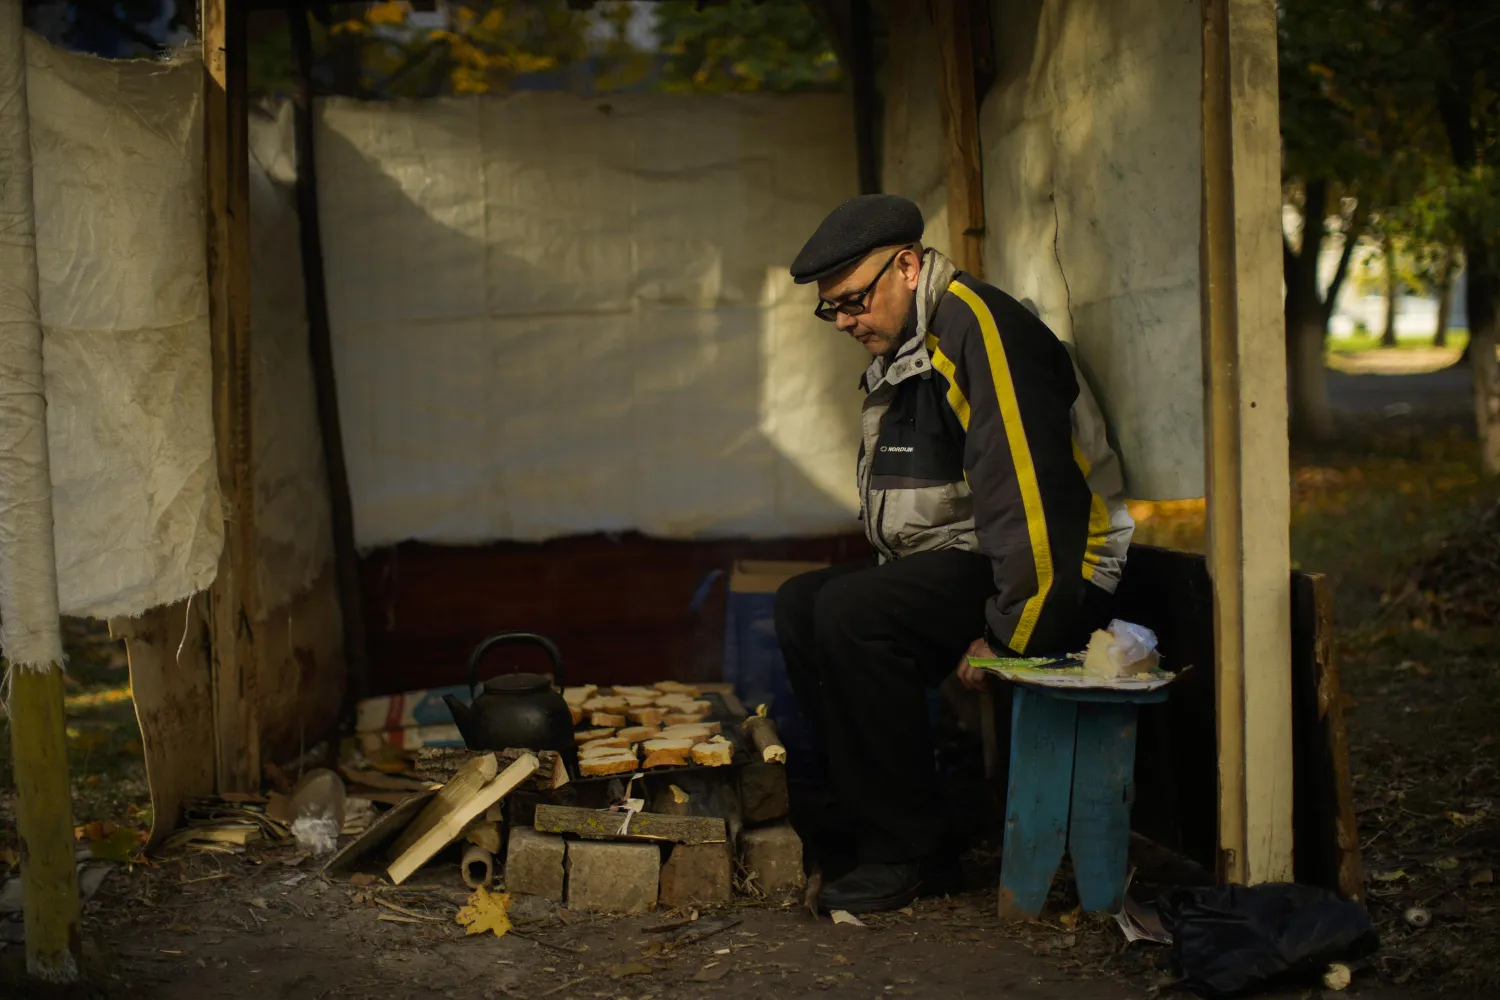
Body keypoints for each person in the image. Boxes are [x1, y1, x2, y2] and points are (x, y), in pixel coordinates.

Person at [775, 194, 1133, 913]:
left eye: (851, 302)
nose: (843, 322)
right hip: (984, 560)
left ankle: (914, 852)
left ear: (907, 266)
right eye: (831, 310)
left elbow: (1033, 507)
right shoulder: (907, 336)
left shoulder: (982, 332)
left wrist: (1008, 637)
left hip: (1056, 576)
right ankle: (869, 816)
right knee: (800, 603)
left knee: (852, 611)